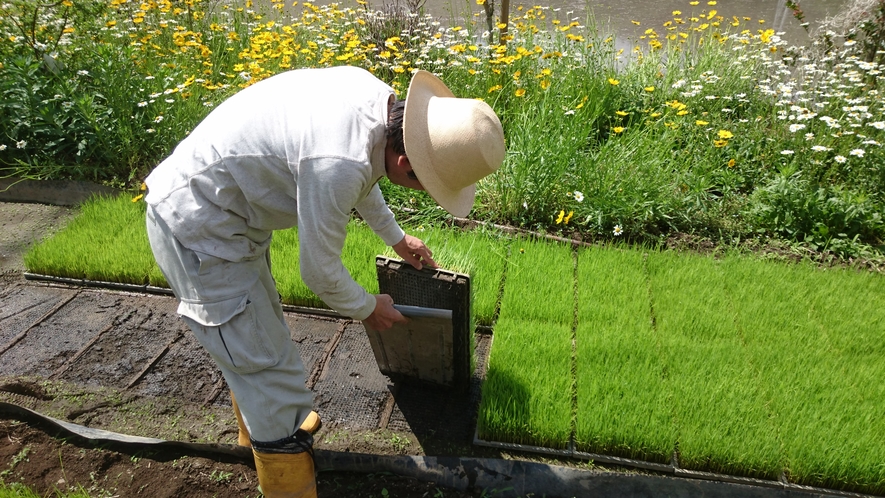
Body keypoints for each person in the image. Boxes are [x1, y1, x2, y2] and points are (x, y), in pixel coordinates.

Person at [144, 66, 505, 497]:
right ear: (408, 161)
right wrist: (369, 307)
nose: (423, 193)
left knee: (256, 334)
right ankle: (281, 458)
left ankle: (258, 437)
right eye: (426, 185)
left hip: (229, 216)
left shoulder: (375, 104)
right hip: (199, 225)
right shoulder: (338, 161)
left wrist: (396, 236)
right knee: (263, 363)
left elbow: (365, 172)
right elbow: (318, 270)